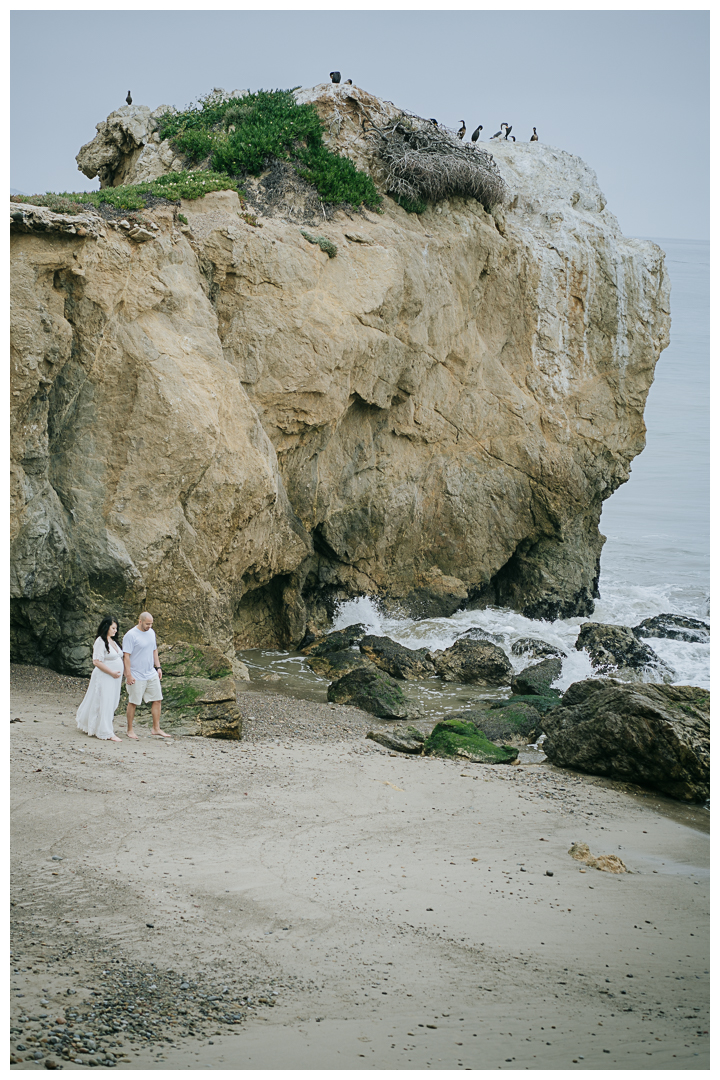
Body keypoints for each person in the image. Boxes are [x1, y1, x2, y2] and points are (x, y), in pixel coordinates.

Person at [123, 611, 170, 739]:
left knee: (157, 699)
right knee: (133, 702)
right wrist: (128, 675)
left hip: (150, 673)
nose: (149, 626)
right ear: (140, 621)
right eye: (147, 624)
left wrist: (158, 667)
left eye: (151, 624)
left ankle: (156, 728)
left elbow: (154, 650)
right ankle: (130, 730)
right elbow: (126, 656)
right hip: (136, 674)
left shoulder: (151, 632)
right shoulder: (131, 635)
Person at [75, 616, 124, 742]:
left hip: (114, 678)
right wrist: (112, 672)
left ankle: (99, 725)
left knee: (111, 701)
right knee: (105, 701)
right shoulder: (100, 641)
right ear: (106, 627)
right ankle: (106, 731)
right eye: (113, 628)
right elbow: (96, 661)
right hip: (105, 676)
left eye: (116, 628)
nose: (115, 631)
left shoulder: (113, 641)